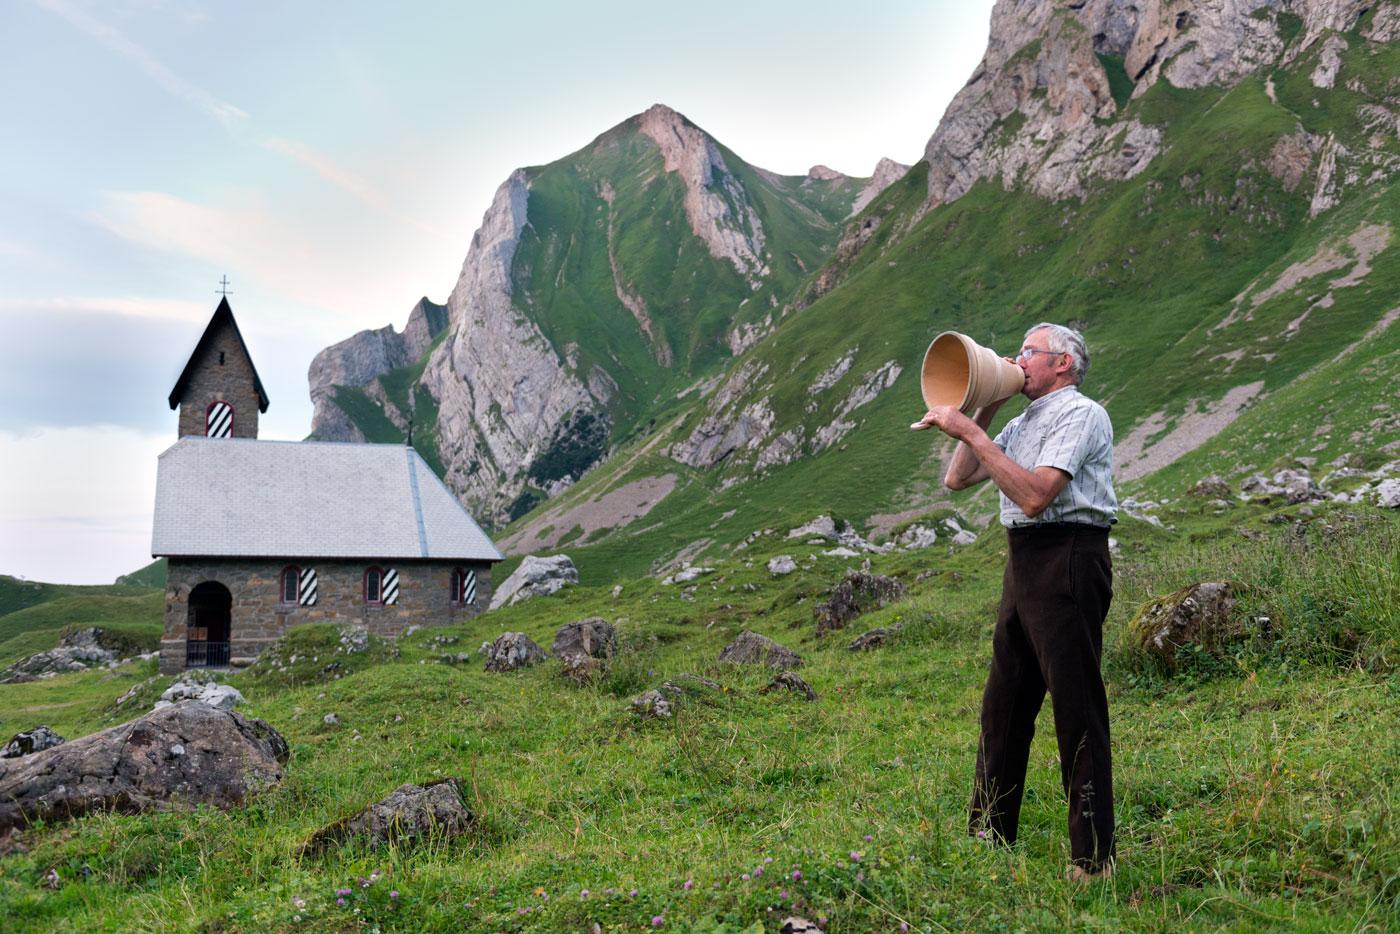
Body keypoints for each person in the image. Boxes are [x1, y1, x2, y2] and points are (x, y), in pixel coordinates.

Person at [917, 322, 1118, 881]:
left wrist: (973, 432)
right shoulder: (1021, 419)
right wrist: (979, 410)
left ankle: (1094, 860)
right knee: (1004, 703)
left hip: (1069, 555)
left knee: (1075, 708)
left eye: (1030, 352)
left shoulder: (1081, 413)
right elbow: (958, 479)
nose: (1019, 359)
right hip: (1024, 560)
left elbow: (1034, 495)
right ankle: (988, 834)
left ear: (1063, 364)